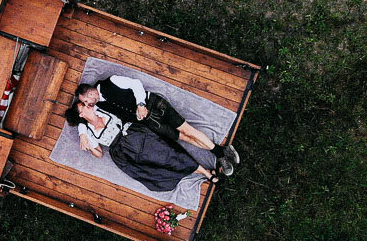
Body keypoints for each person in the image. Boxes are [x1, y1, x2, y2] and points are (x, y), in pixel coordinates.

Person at [75, 76, 239, 175]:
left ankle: (220, 153)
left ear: (90, 93)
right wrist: (82, 134)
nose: (86, 105)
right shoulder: (97, 107)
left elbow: (136, 84)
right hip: (148, 123)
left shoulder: (110, 81)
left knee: (186, 129)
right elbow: (82, 119)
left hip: (154, 105)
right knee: (183, 137)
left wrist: (140, 104)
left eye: (85, 101)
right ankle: (222, 151)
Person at [65, 99, 219, 192]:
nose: (88, 105)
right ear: (81, 115)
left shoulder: (100, 108)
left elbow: (83, 122)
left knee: (169, 153)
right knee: (156, 169)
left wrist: (81, 132)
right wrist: (87, 142)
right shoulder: (89, 132)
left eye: (86, 103)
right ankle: (202, 171)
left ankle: (205, 173)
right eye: (84, 106)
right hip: (123, 152)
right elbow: (98, 154)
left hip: (134, 134)